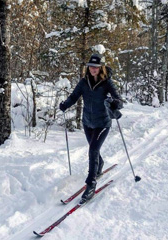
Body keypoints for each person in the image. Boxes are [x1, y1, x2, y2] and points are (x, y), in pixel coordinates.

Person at [59, 53, 123, 203]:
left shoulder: (107, 82)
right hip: (87, 122)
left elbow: (118, 99)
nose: (93, 69)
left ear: (101, 68)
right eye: (91, 67)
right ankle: (99, 163)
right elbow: (74, 96)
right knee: (93, 148)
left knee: (93, 150)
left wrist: (115, 103)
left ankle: (91, 184)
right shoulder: (83, 82)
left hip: (103, 122)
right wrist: (65, 105)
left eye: (96, 67)